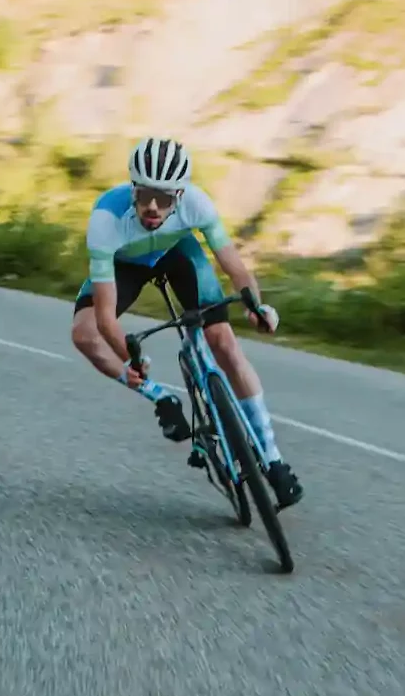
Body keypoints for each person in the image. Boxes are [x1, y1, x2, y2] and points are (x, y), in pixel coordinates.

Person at [71, 135, 303, 510]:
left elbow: (235, 267)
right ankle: (160, 397)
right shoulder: (106, 220)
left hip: (176, 252)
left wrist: (255, 307)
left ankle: (273, 460)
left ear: (179, 196)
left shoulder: (197, 203)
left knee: (223, 341)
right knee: (84, 333)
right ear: (132, 188)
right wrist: (130, 359)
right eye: (144, 194)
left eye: (164, 199)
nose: (152, 207)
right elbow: (104, 314)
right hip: (124, 264)